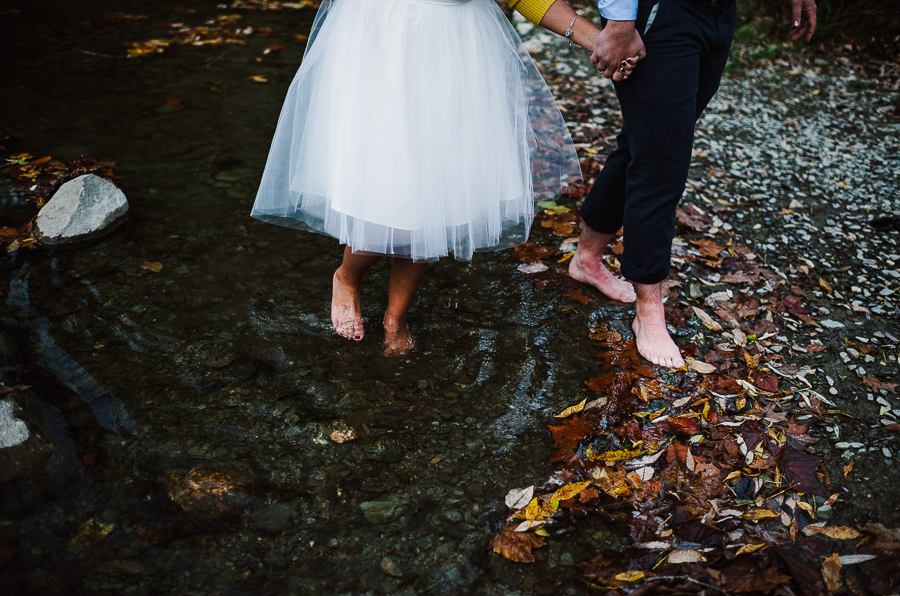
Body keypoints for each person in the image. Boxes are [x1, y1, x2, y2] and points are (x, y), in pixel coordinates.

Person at [250, 0, 638, 356]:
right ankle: (347, 276)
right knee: (389, 181)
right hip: (389, 37)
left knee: (439, 186)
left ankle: (394, 318)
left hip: (458, 44)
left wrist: (602, 41)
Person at [571, 0, 817, 368]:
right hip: (663, 12)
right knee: (661, 161)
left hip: (719, 13)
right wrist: (620, 23)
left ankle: (587, 259)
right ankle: (649, 309)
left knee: (650, 140)